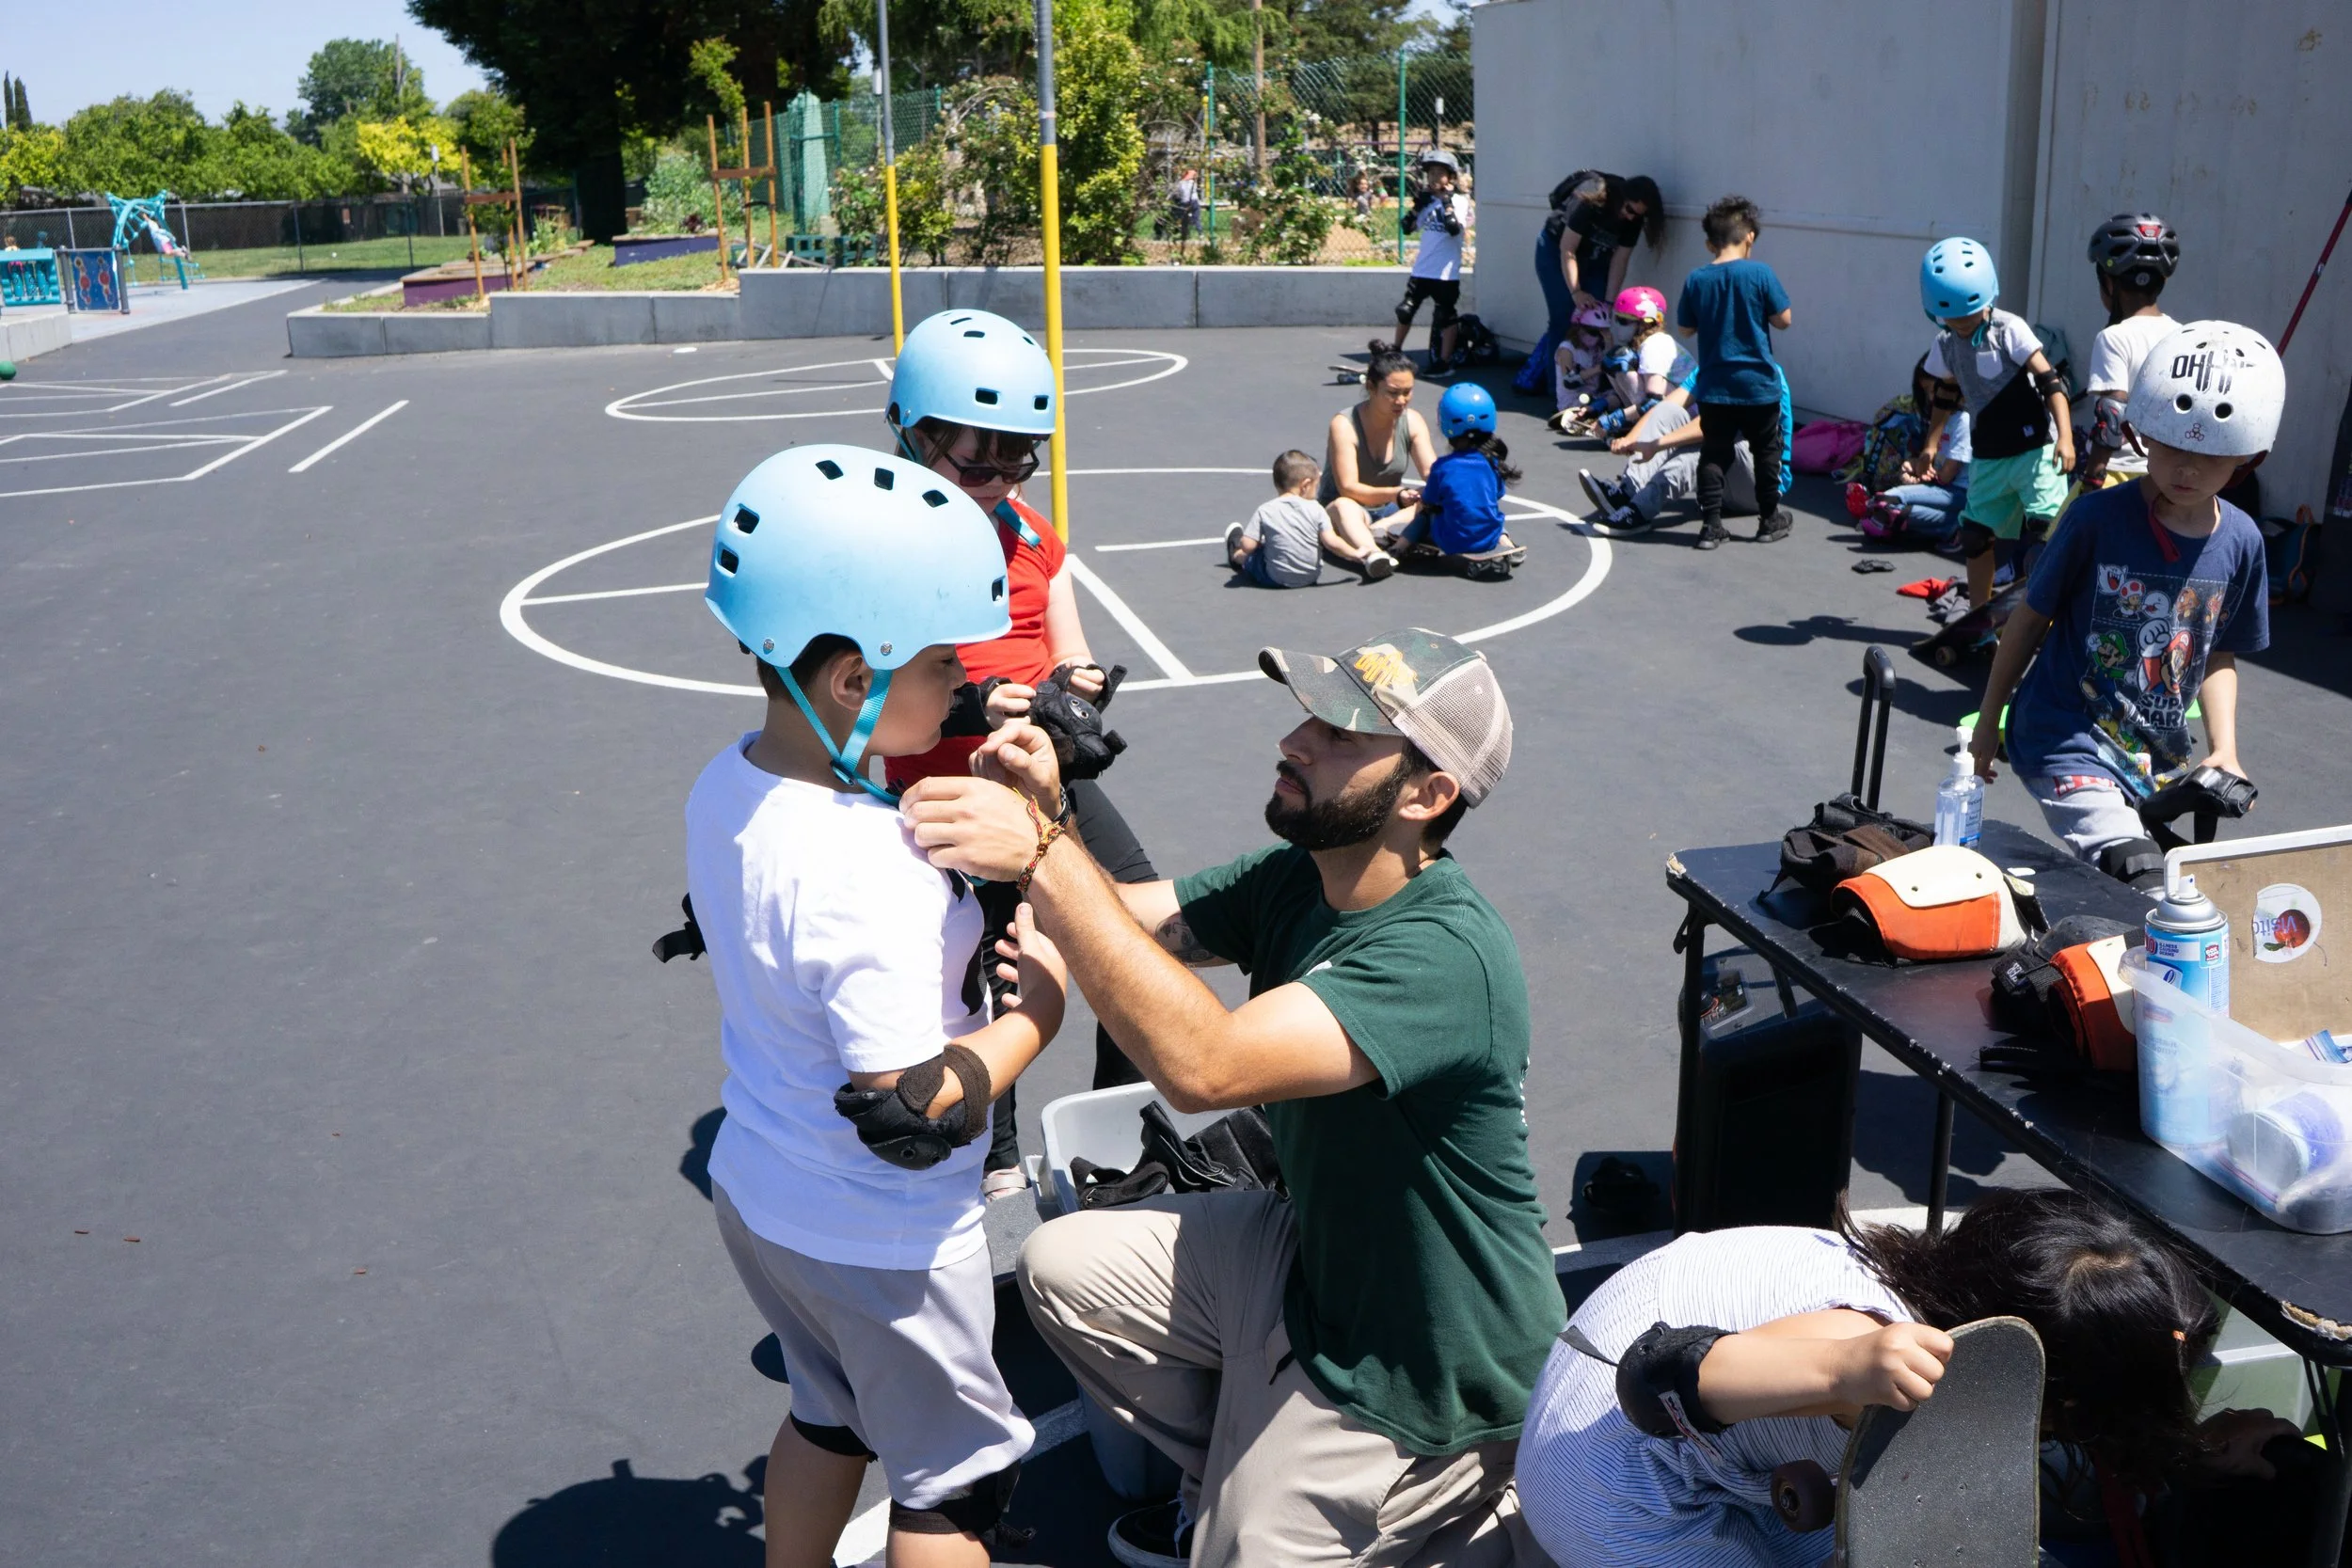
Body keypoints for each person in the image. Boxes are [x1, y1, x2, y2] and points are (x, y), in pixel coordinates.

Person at [901, 629, 1561, 1568]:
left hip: (1432, 1368)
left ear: (1427, 794)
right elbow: (1137, 916)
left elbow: (1203, 1065)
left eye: (1338, 732)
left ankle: (1471, 1508)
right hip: (1317, 1259)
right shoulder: (1308, 874)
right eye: (1309, 716)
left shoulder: (1444, 955)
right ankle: (1247, 1460)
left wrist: (1039, 854)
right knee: (1058, 1264)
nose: (1296, 740)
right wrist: (1049, 804)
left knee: (1241, 1553)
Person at [689, 442, 1072, 1568]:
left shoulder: (730, 781)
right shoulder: (872, 864)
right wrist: (1034, 1010)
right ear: (852, 679)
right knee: (953, 1486)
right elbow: (909, 1108)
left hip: (763, 1189)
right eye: (941, 660)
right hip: (881, 1234)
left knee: (829, 1411)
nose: (963, 678)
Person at [1516, 1189, 2296, 1566]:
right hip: (1612, 1477)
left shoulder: (1979, 1276)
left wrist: (2187, 1450)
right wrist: (1845, 1365)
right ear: (2052, 1387)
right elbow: (1654, 1383)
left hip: (1684, 1406)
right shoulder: (1872, 1351)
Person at [882, 308, 1160, 1196]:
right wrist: (963, 701)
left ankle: (1116, 1121)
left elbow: (1068, 646)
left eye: (1019, 460)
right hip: (948, 785)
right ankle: (996, 1162)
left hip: (1037, 772)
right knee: (994, 969)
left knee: (1133, 930)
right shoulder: (883, 542)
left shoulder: (1034, 538)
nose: (1001, 479)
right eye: (978, 462)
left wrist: (1075, 691)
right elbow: (862, 688)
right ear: (917, 436)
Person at [1969, 320, 2280, 889]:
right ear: (2143, 433)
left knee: (2168, 886)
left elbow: (2217, 655)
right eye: (2174, 445)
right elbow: (2028, 620)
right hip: (2064, 737)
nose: (2187, 469)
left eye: (2210, 457)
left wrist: (2225, 750)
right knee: (2136, 871)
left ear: (2247, 458)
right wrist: (1991, 720)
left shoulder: (2241, 542)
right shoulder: (2094, 521)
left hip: (2152, 756)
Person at [1915, 236, 2075, 609]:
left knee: (2046, 534)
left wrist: (2065, 437)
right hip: (1988, 452)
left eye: (1969, 314)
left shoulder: (2009, 329)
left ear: (1988, 299)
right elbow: (1945, 395)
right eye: (1951, 316)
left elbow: (2051, 381)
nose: (1962, 323)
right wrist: (1929, 445)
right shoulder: (1946, 343)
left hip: (2036, 450)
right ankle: (1979, 616)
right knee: (1974, 535)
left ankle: (2045, 612)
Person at [1677, 195, 1794, 548]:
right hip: (1758, 384)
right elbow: (1784, 320)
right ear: (1750, 237)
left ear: (1710, 242)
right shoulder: (1760, 273)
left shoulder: (1697, 279)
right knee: (1765, 451)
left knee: (1714, 451)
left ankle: (1711, 526)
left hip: (1715, 386)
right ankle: (1769, 519)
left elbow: (1685, 328)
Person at [1577, 363, 1791, 538]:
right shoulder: (1711, 367)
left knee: (1707, 447)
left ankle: (1640, 511)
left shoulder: (1762, 374)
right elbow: (1666, 406)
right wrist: (1630, 439)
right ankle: (1629, 492)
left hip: (1759, 487)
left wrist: (1658, 444)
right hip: (1724, 478)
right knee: (1668, 411)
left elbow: (1714, 425)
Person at [1382, 383, 1526, 578]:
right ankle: (1507, 544)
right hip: (1488, 537)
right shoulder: (1493, 462)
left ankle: (1398, 549)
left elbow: (1430, 501)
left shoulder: (1443, 466)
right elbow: (1497, 494)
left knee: (1425, 514)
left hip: (1451, 540)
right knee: (1489, 512)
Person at [2078, 213, 2181, 488]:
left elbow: (2111, 416)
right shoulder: (2181, 335)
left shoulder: (2113, 338)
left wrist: (2092, 479)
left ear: (2108, 283)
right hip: (2163, 478)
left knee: (2061, 532)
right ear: (2163, 280)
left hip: (2116, 475)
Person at [1320, 347, 1440, 580]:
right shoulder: (1344, 425)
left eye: (1407, 392)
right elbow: (1349, 488)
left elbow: (1431, 473)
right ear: (1371, 388)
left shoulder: (1413, 421)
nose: (1401, 400)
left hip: (1390, 512)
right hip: (1347, 513)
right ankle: (1375, 555)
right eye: (1393, 393)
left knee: (1434, 494)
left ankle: (1379, 531)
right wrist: (1397, 494)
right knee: (1344, 505)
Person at [1537, 169, 1666, 338]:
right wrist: (1576, 292)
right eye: (1630, 210)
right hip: (1556, 250)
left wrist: (1609, 303)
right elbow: (1568, 249)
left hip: (1595, 257)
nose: (1630, 218)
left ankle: (1591, 363)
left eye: (1638, 215)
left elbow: (1620, 260)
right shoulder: (1593, 196)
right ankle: (1558, 361)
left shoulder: (1633, 220)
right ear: (1622, 197)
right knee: (1562, 320)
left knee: (1596, 321)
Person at [1561, 285, 1694, 440]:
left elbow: (1653, 401)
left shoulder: (1654, 346)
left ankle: (1644, 428)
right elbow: (1634, 392)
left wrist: (1614, 420)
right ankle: (1637, 424)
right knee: (1613, 362)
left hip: (1688, 415)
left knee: (1620, 360)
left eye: (1623, 321)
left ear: (1645, 324)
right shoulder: (1641, 344)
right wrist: (1597, 408)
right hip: (1676, 407)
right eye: (1616, 318)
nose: (1616, 325)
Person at [1390, 150, 1472, 370]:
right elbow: (1407, 228)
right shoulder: (1427, 202)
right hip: (1422, 269)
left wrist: (1446, 203)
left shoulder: (1459, 201)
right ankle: (1395, 350)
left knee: (1446, 315)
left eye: (1439, 173)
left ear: (1450, 177)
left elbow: (1454, 229)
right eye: (1431, 173)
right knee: (1405, 309)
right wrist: (1417, 207)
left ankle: (1444, 361)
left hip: (1445, 272)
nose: (1434, 178)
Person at [1227, 450, 1333, 588]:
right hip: (1310, 577)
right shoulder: (1316, 508)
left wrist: (1245, 543)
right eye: (1316, 486)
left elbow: (1248, 545)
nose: (1316, 491)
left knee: (1252, 555)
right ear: (1305, 485)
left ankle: (1236, 555)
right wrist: (1355, 553)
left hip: (1274, 579)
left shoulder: (1266, 510)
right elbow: (1331, 541)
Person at [1170, 166, 1203, 244]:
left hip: (1184, 202)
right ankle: (1200, 234)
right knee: (1197, 218)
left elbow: (1178, 194)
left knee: (1183, 220)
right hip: (1194, 201)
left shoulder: (1180, 183)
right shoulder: (1193, 183)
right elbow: (1194, 175)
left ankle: (1184, 234)